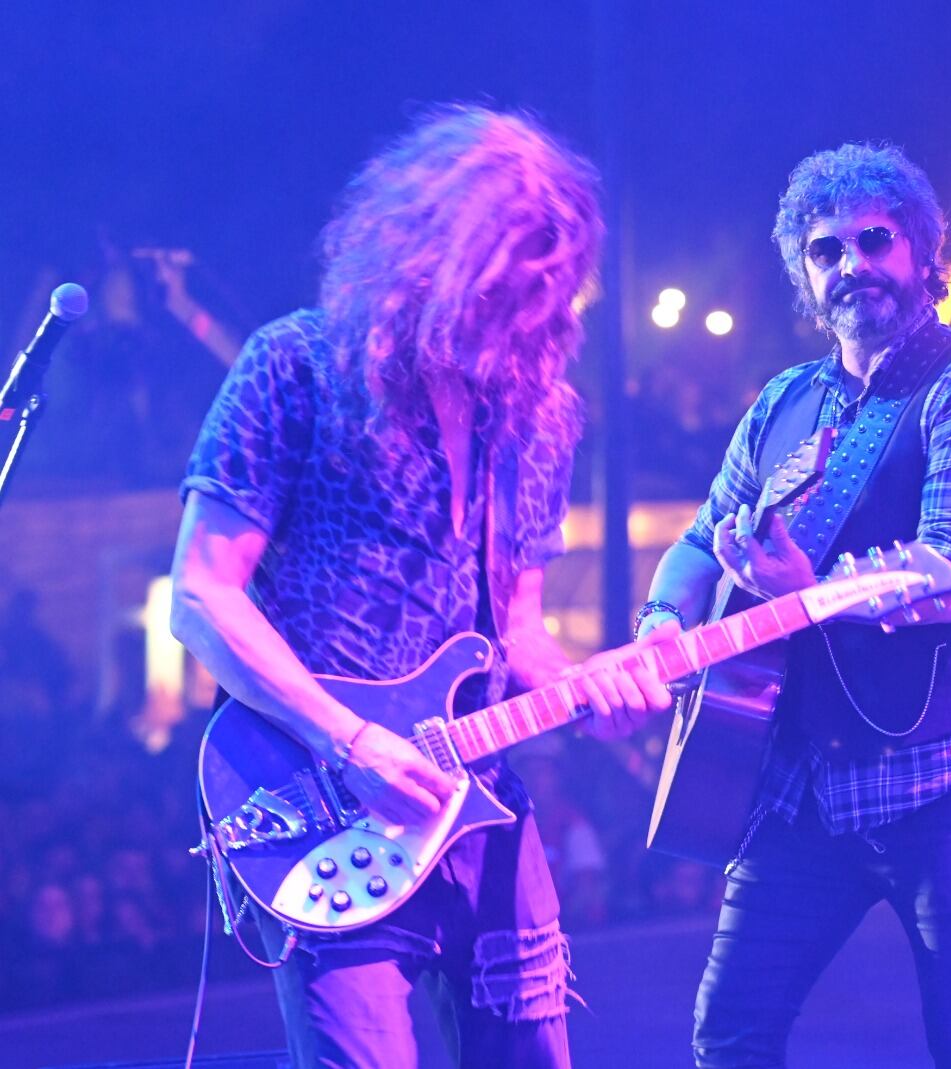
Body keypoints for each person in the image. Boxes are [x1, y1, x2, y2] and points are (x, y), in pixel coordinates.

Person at [168, 106, 674, 1069]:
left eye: (548, 291)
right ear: (434, 255)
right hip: (325, 801)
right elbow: (201, 593)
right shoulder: (297, 366)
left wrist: (591, 690)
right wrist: (346, 737)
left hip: (483, 805)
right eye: (505, 287)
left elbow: (517, 633)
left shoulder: (542, 413)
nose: (529, 315)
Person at [640, 143, 951, 1068]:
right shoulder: (787, 399)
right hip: (798, 786)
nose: (852, 264)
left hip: (947, 779)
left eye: (876, 241)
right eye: (827, 251)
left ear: (925, 256)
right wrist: (663, 626)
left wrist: (807, 595)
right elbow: (702, 540)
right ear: (804, 274)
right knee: (729, 1035)